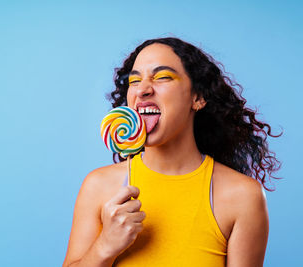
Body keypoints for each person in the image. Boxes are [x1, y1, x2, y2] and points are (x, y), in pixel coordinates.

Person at [62, 37, 281, 267]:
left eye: (163, 77)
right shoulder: (99, 186)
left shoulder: (242, 196)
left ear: (197, 98)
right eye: (134, 80)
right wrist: (105, 246)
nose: (143, 90)